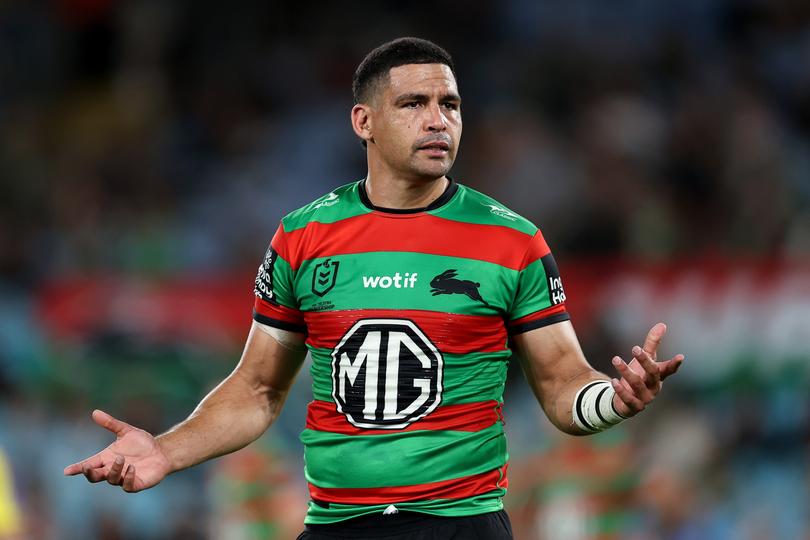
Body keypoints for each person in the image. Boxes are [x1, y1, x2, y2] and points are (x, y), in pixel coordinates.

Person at [64, 37, 684, 540]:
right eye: (415, 103)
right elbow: (255, 390)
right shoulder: (302, 236)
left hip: (462, 526)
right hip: (338, 525)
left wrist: (613, 400)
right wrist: (165, 451)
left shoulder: (512, 241)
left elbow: (561, 385)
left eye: (452, 104)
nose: (439, 120)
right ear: (364, 120)